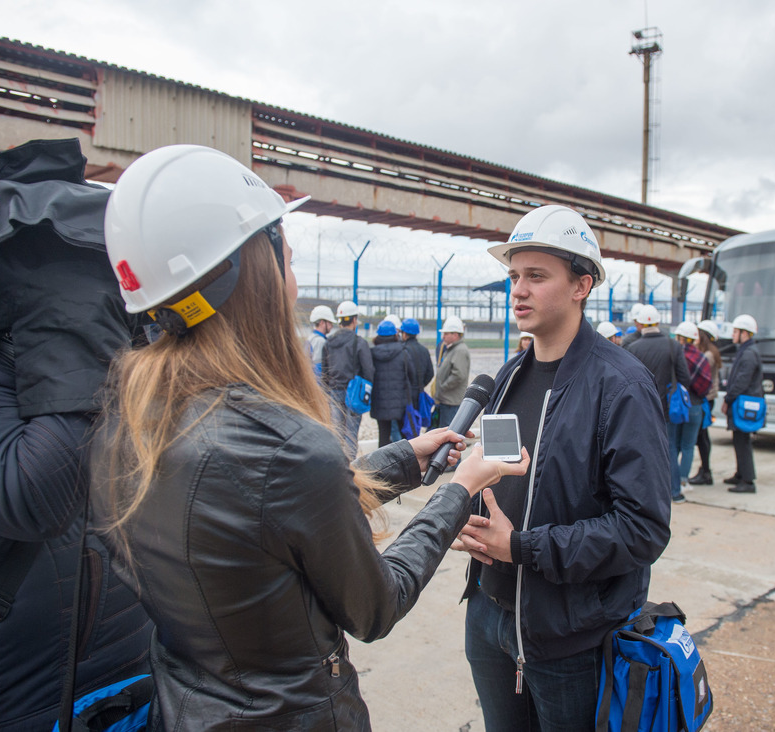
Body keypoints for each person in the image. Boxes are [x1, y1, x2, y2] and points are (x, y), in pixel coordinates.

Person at [91, 143, 531, 731]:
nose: (294, 286)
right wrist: (461, 489)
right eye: (289, 262)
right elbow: (376, 605)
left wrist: (403, 458)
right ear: (252, 274)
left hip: (187, 707)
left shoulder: (129, 418)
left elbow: (266, 516)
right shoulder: (287, 446)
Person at [0, 132, 151, 730]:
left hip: (111, 678)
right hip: (10, 694)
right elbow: (38, 494)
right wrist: (69, 303)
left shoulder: (20, 340)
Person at [454, 204, 672, 732]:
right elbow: (511, 474)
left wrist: (523, 547)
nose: (519, 291)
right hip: (489, 612)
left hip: (570, 635)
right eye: (513, 276)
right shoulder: (509, 375)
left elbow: (642, 528)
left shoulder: (621, 386)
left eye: (536, 276)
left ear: (582, 285)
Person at [626, 303, 689, 503]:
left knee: (641, 451)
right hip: (667, 407)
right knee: (669, 448)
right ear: (658, 322)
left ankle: (645, 494)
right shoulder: (673, 345)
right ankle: (675, 492)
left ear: (640, 324)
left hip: (641, 408)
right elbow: (684, 377)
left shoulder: (633, 348)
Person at [323, 300, 375, 456]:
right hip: (354, 393)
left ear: (340, 321)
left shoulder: (328, 343)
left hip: (333, 390)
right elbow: (368, 370)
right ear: (354, 320)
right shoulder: (359, 342)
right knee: (351, 433)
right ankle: (351, 469)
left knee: (337, 431)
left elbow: (324, 370)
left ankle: (336, 466)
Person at [722, 313, 764, 493]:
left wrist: (728, 398)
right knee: (739, 440)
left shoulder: (748, 354)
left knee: (743, 442)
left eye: (735, 331)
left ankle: (747, 481)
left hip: (742, 404)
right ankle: (741, 474)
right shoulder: (747, 351)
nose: (733, 335)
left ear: (745, 333)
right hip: (741, 403)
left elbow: (741, 381)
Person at [672, 322, 713, 495]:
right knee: (688, 445)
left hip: (677, 405)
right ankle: (683, 480)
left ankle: (671, 480)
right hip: (695, 405)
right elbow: (706, 384)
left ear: (680, 337)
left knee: (673, 445)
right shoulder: (701, 358)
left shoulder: (675, 355)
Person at [689, 319, 723, 486]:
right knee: (703, 436)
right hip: (708, 399)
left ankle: (706, 471)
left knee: (702, 437)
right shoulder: (711, 353)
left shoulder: (707, 356)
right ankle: (705, 469)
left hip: (704, 399)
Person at [370, 320, 413, 447]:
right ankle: (405, 464)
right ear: (395, 335)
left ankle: (383, 465)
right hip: (400, 402)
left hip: (379, 401)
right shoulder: (403, 352)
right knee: (404, 437)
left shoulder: (372, 354)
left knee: (383, 436)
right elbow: (412, 375)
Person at [433, 316, 470, 430]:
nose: (443, 336)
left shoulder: (460, 351)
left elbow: (458, 375)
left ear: (455, 335)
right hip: (447, 400)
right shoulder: (452, 349)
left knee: (449, 433)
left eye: (446, 333)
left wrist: (443, 387)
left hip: (451, 401)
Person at [401, 317, 434, 438]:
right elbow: (430, 373)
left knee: (405, 427)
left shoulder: (403, 349)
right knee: (415, 426)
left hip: (405, 394)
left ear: (404, 333)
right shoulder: (424, 350)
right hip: (419, 393)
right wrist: (421, 384)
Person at [307, 304, 336, 372]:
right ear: (322, 322)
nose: (332, 326)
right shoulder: (320, 342)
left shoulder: (311, 338)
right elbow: (319, 369)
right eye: (330, 322)